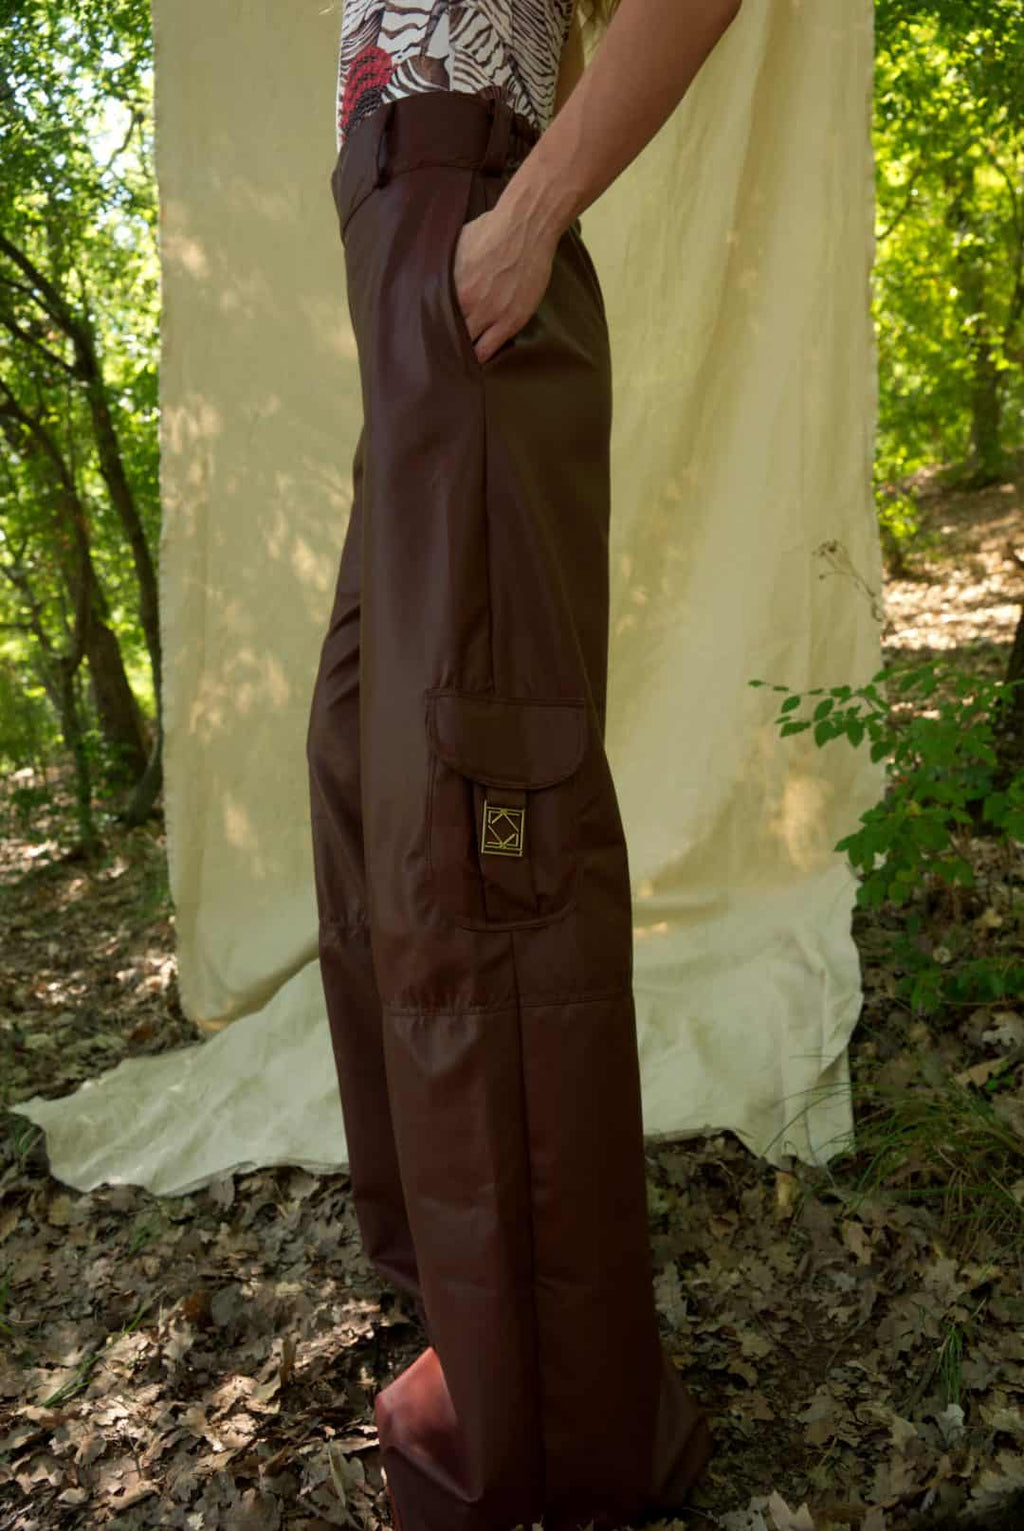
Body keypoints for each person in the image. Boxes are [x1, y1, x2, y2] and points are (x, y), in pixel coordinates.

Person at [306, 1, 743, 1527]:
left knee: (480, 836)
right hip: (407, 262)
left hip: (464, 231)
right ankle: (472, 1321)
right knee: (373, 791)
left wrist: (529, 208)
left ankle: (556, 1441)